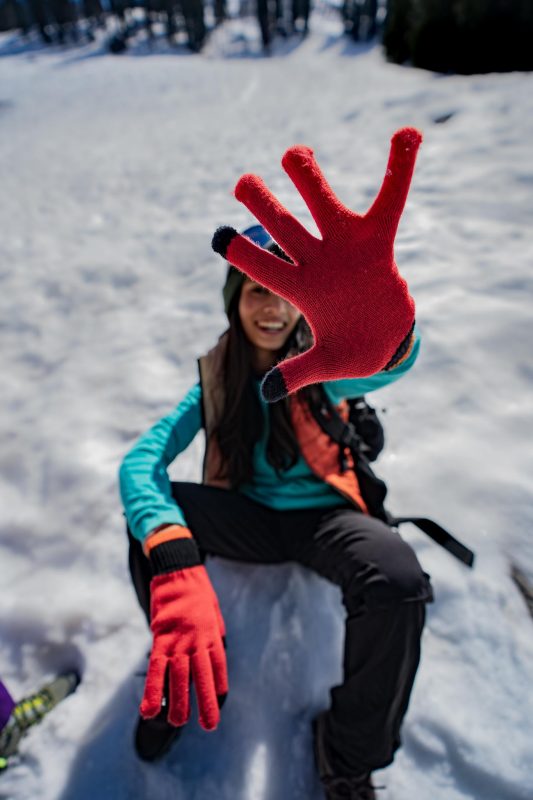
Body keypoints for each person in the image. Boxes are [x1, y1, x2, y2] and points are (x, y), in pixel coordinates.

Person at [119, 130, 433, 799]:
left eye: (280, 293)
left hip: (325, 519)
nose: (269, 306)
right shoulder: (214, 379)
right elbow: (143, 462)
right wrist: (173, 558)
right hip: (246, 518)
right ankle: (182, 659)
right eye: (253, 290)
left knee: (399, 581)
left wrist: (390, 335)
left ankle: (347, 755)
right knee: (151, 523)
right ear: (233, 298)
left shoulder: (328, 366)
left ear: (303, 305)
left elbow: (380, 366)